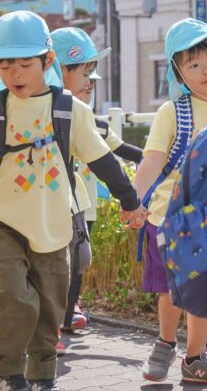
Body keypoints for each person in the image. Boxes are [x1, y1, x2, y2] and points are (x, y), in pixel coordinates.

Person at [0, 11, 147, 391]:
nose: (15, 74)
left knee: (51, 304)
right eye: (5, 65)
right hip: (2, 219)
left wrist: (130, 201)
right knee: (13, 295)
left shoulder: (71, 110)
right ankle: (8, 371)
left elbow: (102, 161)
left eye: (24, 64)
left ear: (47, 62)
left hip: (54, 223)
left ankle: (42, 375)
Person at [133, 18, 207, 385]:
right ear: (178, 73)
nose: (205, 69)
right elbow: (153, 162)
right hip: (168, 218)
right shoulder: (173, 112)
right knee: (172, 291)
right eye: (193, 64)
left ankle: (195, 358)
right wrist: (134, 202)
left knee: (202, 294)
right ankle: (164, 342)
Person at [52, 27, 143, 333]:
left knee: (78, 257)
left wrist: (157, 159)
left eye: (92, 81)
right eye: (84, 76)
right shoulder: (40, 116)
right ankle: (49, 314)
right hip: (46, 203)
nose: (88, 86)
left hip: (81, 204)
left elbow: (121, 152)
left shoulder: (96, 125)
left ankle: (69, 307)